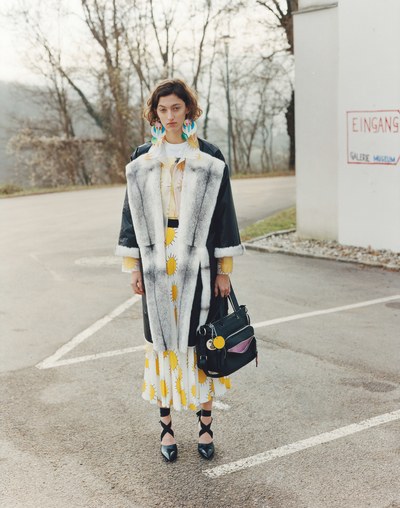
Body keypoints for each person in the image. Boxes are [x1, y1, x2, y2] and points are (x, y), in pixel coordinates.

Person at [115, 78, 244, 462]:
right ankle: (167, 429)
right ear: (155, 114)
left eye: (176, 107)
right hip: (157, 260)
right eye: (162, 109)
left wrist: (223, 268)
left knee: (200, 341)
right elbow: (131, 214)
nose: (170, 116)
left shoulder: (209, 156)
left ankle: (205, 428)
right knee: (162, 343)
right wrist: (133, 266)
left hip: (199, 259)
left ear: (188, 109)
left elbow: (224, 215)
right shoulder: (143, 158)